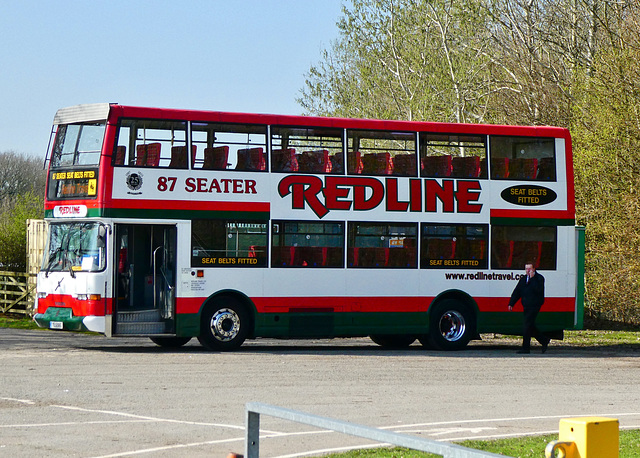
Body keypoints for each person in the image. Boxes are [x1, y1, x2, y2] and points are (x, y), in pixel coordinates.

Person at [508, 262, 551, 354]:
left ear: (534, 269)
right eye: (526, 269)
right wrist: (511, 303)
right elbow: (517, 292)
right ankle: (544, 340)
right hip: (526, 305)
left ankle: (526, 348)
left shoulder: (539, 278)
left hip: (535, 305)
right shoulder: (523, 279)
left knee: (527, 325)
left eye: (529, 269)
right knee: (530, 325)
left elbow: (538, 290)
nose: (528, 271)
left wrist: (532, 279)